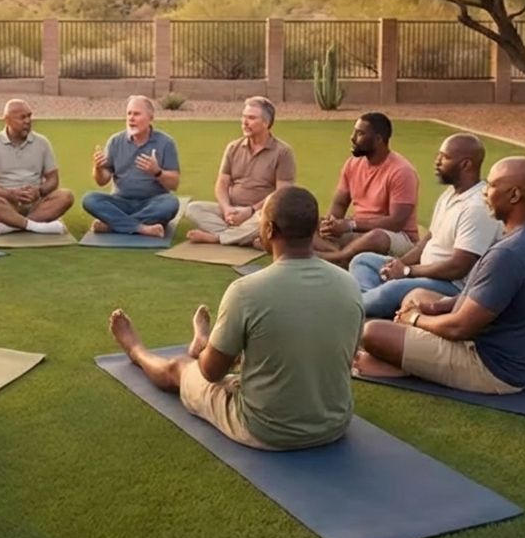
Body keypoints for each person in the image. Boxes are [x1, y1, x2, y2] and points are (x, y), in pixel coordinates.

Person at [109, 186, 363, 450]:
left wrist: (221, 360)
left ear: (269, 230)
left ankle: (137, 351)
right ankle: (209, 343)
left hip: (266, 428)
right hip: (334, 424)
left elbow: (210, 373)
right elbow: (343, 356)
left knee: (181, 367)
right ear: (313, 230)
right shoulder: (349, 284)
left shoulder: (247, 291)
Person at [356, 157, 525, 394]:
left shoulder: (509, 253)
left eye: (492, 186)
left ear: (514, 196)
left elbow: (459, 329)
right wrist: (432, 308)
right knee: (417, 294)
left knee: (372, 333)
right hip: (516, 358)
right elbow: (486, 298)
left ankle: (407, 365)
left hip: (492, 368)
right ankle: (410, 360)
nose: (484, 193)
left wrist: (414, 319)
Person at [349, 134, 501, 318]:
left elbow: (458, 267)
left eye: (444, 157)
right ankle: (377, 305)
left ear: (466, 164)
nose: (436, 162)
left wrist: (407, 272)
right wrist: (400, 264)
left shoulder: (477, 208)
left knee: (391, 289)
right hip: (423, 272)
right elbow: (428, 240)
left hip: (450, 285)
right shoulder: (450, 195)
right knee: (363, 261)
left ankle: (355, 306)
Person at [185, 96, 295, 247]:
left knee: (270, 217)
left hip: (259, 212)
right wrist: (226, 209)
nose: (244, 122)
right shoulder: (233, 147)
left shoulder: (283, 152)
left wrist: (249, 211)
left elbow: (281, 193)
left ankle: (217, 238)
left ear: (266, 123)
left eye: (251, 118)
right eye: (243, 117)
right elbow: (222, 183)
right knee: (193, 208)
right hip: (232, 210)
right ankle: (247, 238)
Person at [316, 112, 420, 266]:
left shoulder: (402, 171)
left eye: (360, 133)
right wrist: (330, 225)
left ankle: (337, 258)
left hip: (396, 237)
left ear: (378, 139)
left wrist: (350, 225)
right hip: (358, 232)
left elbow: (395, 222)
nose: (352, 138)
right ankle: (339, 256)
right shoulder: (352, 164)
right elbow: (339, 203)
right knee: (307, 225)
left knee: (376, 237)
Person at [82, 95, 180, 238]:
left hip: (152, 202)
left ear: (150, 117)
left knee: (171, 203)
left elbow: (174, 183)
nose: (131, 118)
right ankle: (142, 228)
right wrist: (97, 167)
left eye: (137, 114)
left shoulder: (166, 143)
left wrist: (157, 172)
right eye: (129, 114)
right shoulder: (115, 141)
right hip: (120, 202)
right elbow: (102, 181)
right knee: (89, 199)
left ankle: (113, 224)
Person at [0, 99, 73, 234]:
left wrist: (38, 191)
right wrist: (10, 194)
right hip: (6, 203)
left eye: (29, 116)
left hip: (36, 204)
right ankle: (34, 225)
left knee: (66, 196)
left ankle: (13, 224)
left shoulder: (42, 142)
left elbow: (53, 179)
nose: (27, 121)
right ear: (7, 120)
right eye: (22, 117)